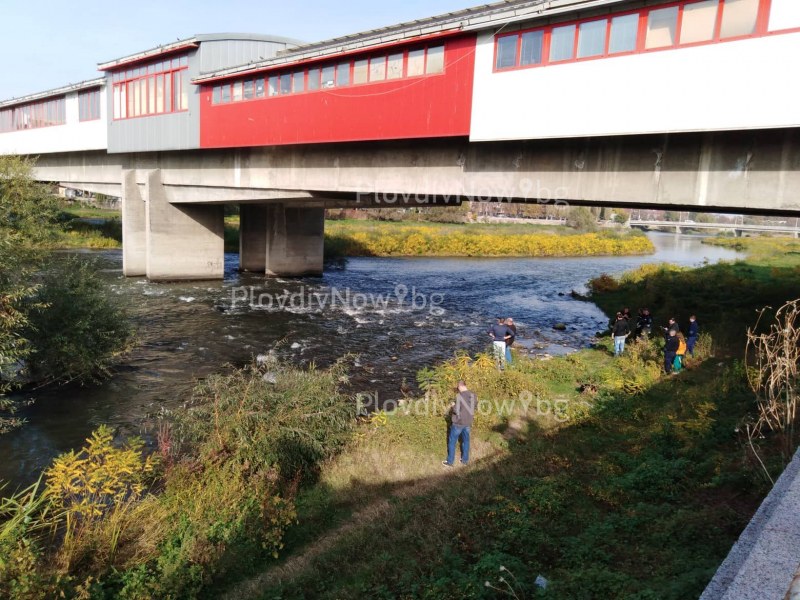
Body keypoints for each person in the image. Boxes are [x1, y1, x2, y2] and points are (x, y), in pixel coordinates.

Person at [443, 381, 477, 467]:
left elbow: (456, 410)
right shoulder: (473, 395)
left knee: (452, 442)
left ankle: (450, 462)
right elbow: (475, 406)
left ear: (460, 387)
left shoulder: (459, 396)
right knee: (466, 441)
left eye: (458, 388)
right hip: (468, 421)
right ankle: (464, 460)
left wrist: (452, 405)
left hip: (458, 423)